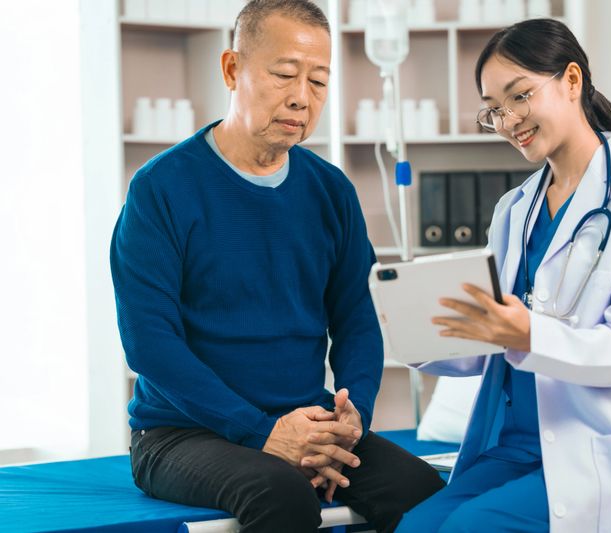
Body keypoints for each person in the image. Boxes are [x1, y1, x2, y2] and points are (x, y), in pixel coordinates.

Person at [110, 1, 444, 531]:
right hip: (182, 433)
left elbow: (358, 319)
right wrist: (263, 433)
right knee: (282, 494)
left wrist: (351, 419)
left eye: (318, 81)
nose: (301, 97)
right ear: (232, 69)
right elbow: (149, 345)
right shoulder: (161, 189)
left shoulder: (330, 190)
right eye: (285, 74)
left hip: (306, 419)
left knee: (424, 494)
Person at [396, 18, 611, 533]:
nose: (508, 120)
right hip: (519, 446)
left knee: (466, 528)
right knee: (413, 528)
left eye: (520, 96)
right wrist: (418, 332)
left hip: (605, 446)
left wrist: (527, 333)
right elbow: (493, 340)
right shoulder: (514, 211)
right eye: (495, 109)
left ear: (571, 80)